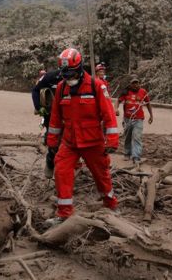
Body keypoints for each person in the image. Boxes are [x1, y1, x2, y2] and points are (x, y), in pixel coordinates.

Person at [46, 48, 119, 225]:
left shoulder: (96, 87)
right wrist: (52, 141)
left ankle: (110, 206)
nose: (67, 76)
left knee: (101, 175)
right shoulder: (62, 88)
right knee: (61, 171)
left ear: (79, 68)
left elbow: (109, 115)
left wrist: (112, 140)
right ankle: (64, 213)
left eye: (70, 72)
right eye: (65, 73)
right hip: (70, 142)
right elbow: (55, 117)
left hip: (93, 142)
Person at [32, 68, 63, 178]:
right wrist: (38, 107)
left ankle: (67, 170)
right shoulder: (50, 76)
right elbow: (35, 90)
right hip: (51, 114)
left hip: (70, 115)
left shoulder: (81, 78)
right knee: (53, 141)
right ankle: (50, 162)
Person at [115, 76, 153, 167]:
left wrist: (151, 115)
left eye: (137, 83)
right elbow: (118, 101)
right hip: (127, 119)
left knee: (137, 137)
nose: (136, 85)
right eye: (134, 83)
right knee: (128, 136)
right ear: (130, 84)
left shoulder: (143, 92)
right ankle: (127, 153)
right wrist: (115, 109)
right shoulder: (126, 92)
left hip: (138, 119)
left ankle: (136, 157)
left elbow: (148, 104)